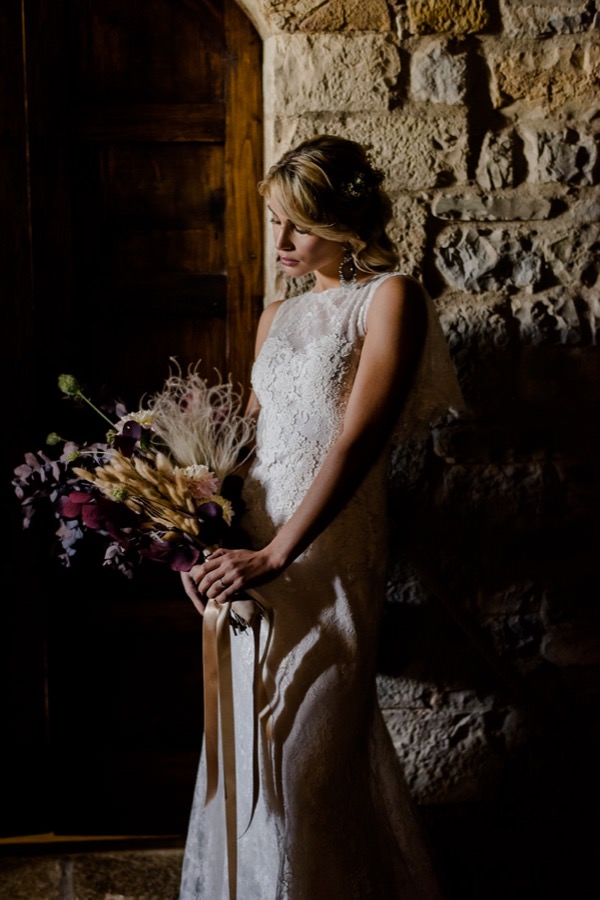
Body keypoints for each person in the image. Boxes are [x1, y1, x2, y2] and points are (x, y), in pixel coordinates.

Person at [178, 134, 463, 900]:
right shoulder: (276, 318)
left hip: (327, 560)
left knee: (309, 770)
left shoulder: (392, 298)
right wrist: (198, 541)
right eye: (274, 221)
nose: (280, 243)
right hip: (253, 560)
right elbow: (247, 450)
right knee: (253, 767)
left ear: (345, 218)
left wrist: (276, 557)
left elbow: (356, 444)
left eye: (298, 224)